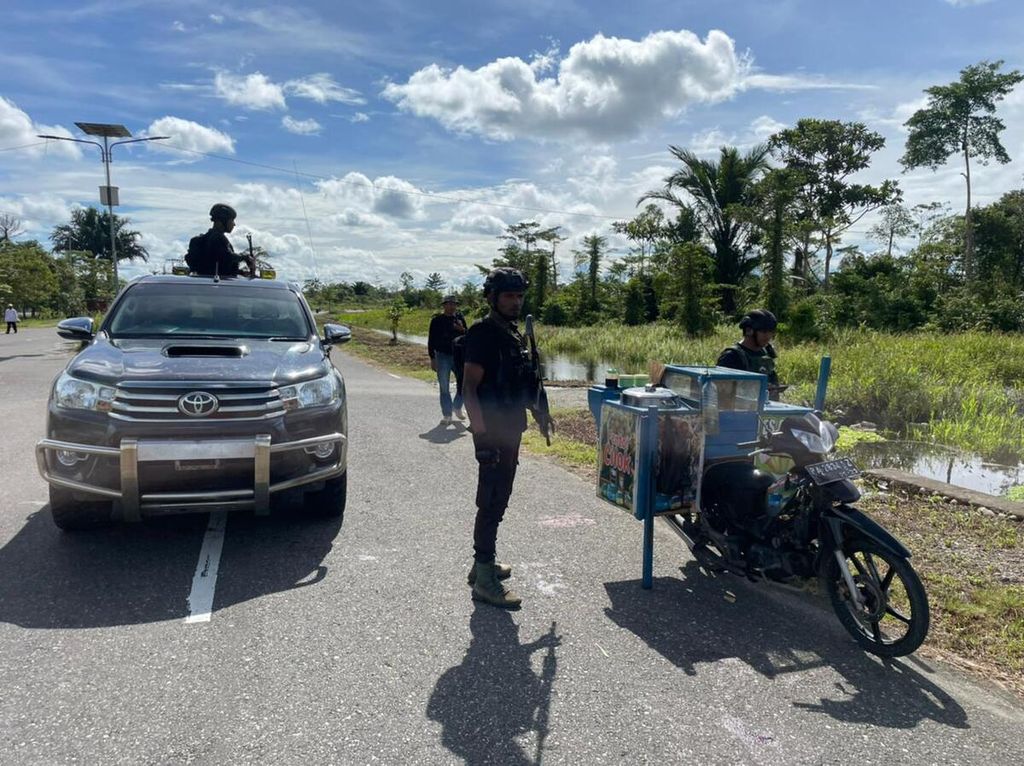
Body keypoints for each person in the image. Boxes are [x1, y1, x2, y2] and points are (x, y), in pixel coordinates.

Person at [462, 267, 535, 609]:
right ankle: (484, 580)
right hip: (492, 433)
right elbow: (469, 390)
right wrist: (481, 441)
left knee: (500, 496)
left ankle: (483, 565)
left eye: (519, 295)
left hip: (511, 429)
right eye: (508, 295)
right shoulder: (483, 334)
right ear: (492, 297)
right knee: (490, 500)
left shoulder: (511, 332)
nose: (515, 302)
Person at [717, 309, 782, 397]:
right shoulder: (731, 356)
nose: (768, 336)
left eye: (771, 332)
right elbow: (721, 392)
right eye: (764, 332)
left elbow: (773, 382)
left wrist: (773, 390)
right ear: (748, 331)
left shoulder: (766, 354)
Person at [427, 294, 467, 425]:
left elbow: (468, 335)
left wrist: (461, 329)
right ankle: (447, 414)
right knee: (444, 387)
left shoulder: (460, 318)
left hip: (458, 356)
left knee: (463, 384)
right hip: (442, 356)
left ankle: (457, 406)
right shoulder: (437, 320)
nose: (451, 306)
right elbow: (431, 340)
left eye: (454, 304)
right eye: (448, 303)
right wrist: (432, 358)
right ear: (443, 305)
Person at [185, 203, 253, 278]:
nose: (234, 224)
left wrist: (241, 273)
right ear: (222, 221)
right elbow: (227, 256)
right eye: (232, 220)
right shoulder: (217, 238)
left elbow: (216, 264)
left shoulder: (208, 238)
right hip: (219, 285)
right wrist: (245, 257)